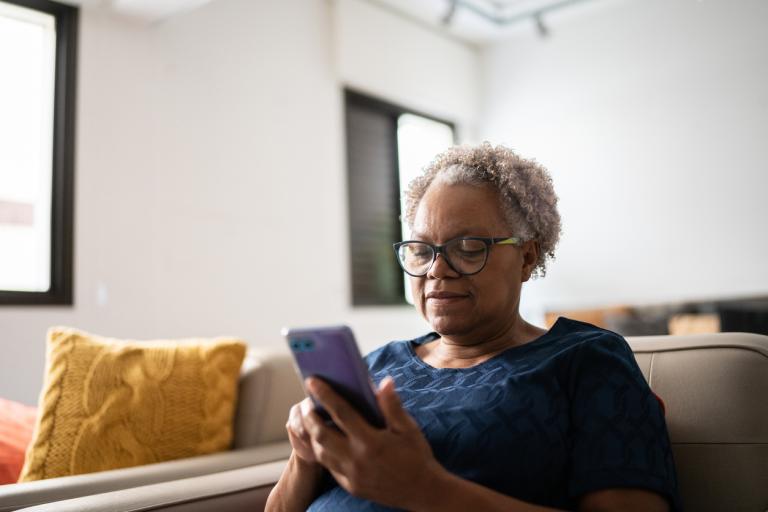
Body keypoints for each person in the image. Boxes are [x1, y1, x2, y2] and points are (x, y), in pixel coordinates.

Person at [266, 143, 680, 512]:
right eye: (422, 250)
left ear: (526, 257)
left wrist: (425, 490)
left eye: (468, 248)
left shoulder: (586, 360)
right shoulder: (373, 368)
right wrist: (304, 457)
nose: (436, 269)